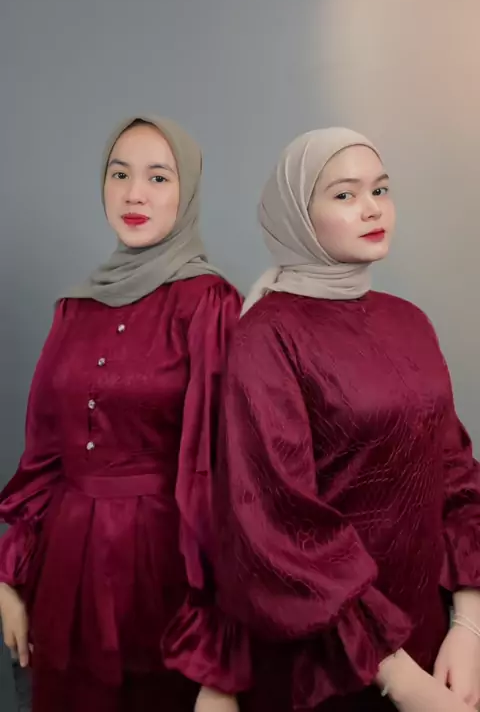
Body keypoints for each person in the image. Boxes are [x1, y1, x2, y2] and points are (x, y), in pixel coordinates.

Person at [201, 129, 480, 711]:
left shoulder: (410, 322)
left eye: (380, 189)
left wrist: (469, 625)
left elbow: (455, 474)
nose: (372, 208)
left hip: (436, 644)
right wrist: (406, 685)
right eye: (345, 195)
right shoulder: (266, 336)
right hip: (328, 668)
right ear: (297, 215)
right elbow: (279, 526)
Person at [0, 115, 242, 712]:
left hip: (166, 579)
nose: (135, 194)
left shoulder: (209, 304)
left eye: (158, 177)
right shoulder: (74, 309)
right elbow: (44, 457)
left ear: (187, 191)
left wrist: (220, 655)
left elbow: (226, 477)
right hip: (63, 573)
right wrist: (10, 575)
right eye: (119, 174)